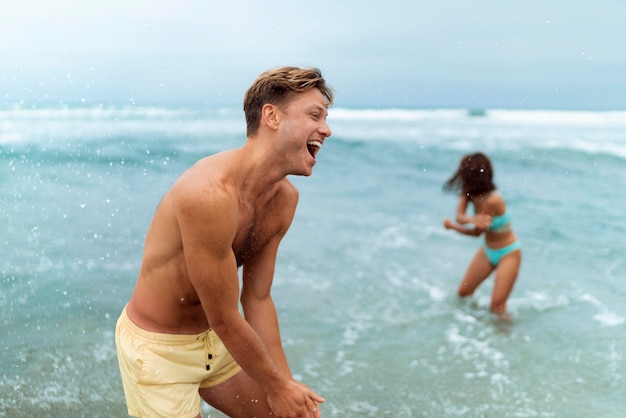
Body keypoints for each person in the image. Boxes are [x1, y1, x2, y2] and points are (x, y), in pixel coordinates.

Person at [115, 66, 334, 418]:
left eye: (325, 117)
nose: (326, 128)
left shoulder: (283, 201)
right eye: (315, 115)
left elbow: (258, 298)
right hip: (159, 351)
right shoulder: (209, 195)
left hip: (217, 342)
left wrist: (287, 389)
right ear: (272, 116)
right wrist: (276, 387)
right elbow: (225, 315)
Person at [442, 152, 521, 321]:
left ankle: (507, 339)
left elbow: (475, 233)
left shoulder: (493, 200)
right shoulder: (468, 192)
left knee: (497, 307)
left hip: (509, 252)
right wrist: (470, 219)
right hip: (488, 250)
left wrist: (452, 228)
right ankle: (473, 328)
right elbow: (460, 216)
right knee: (463, 293)